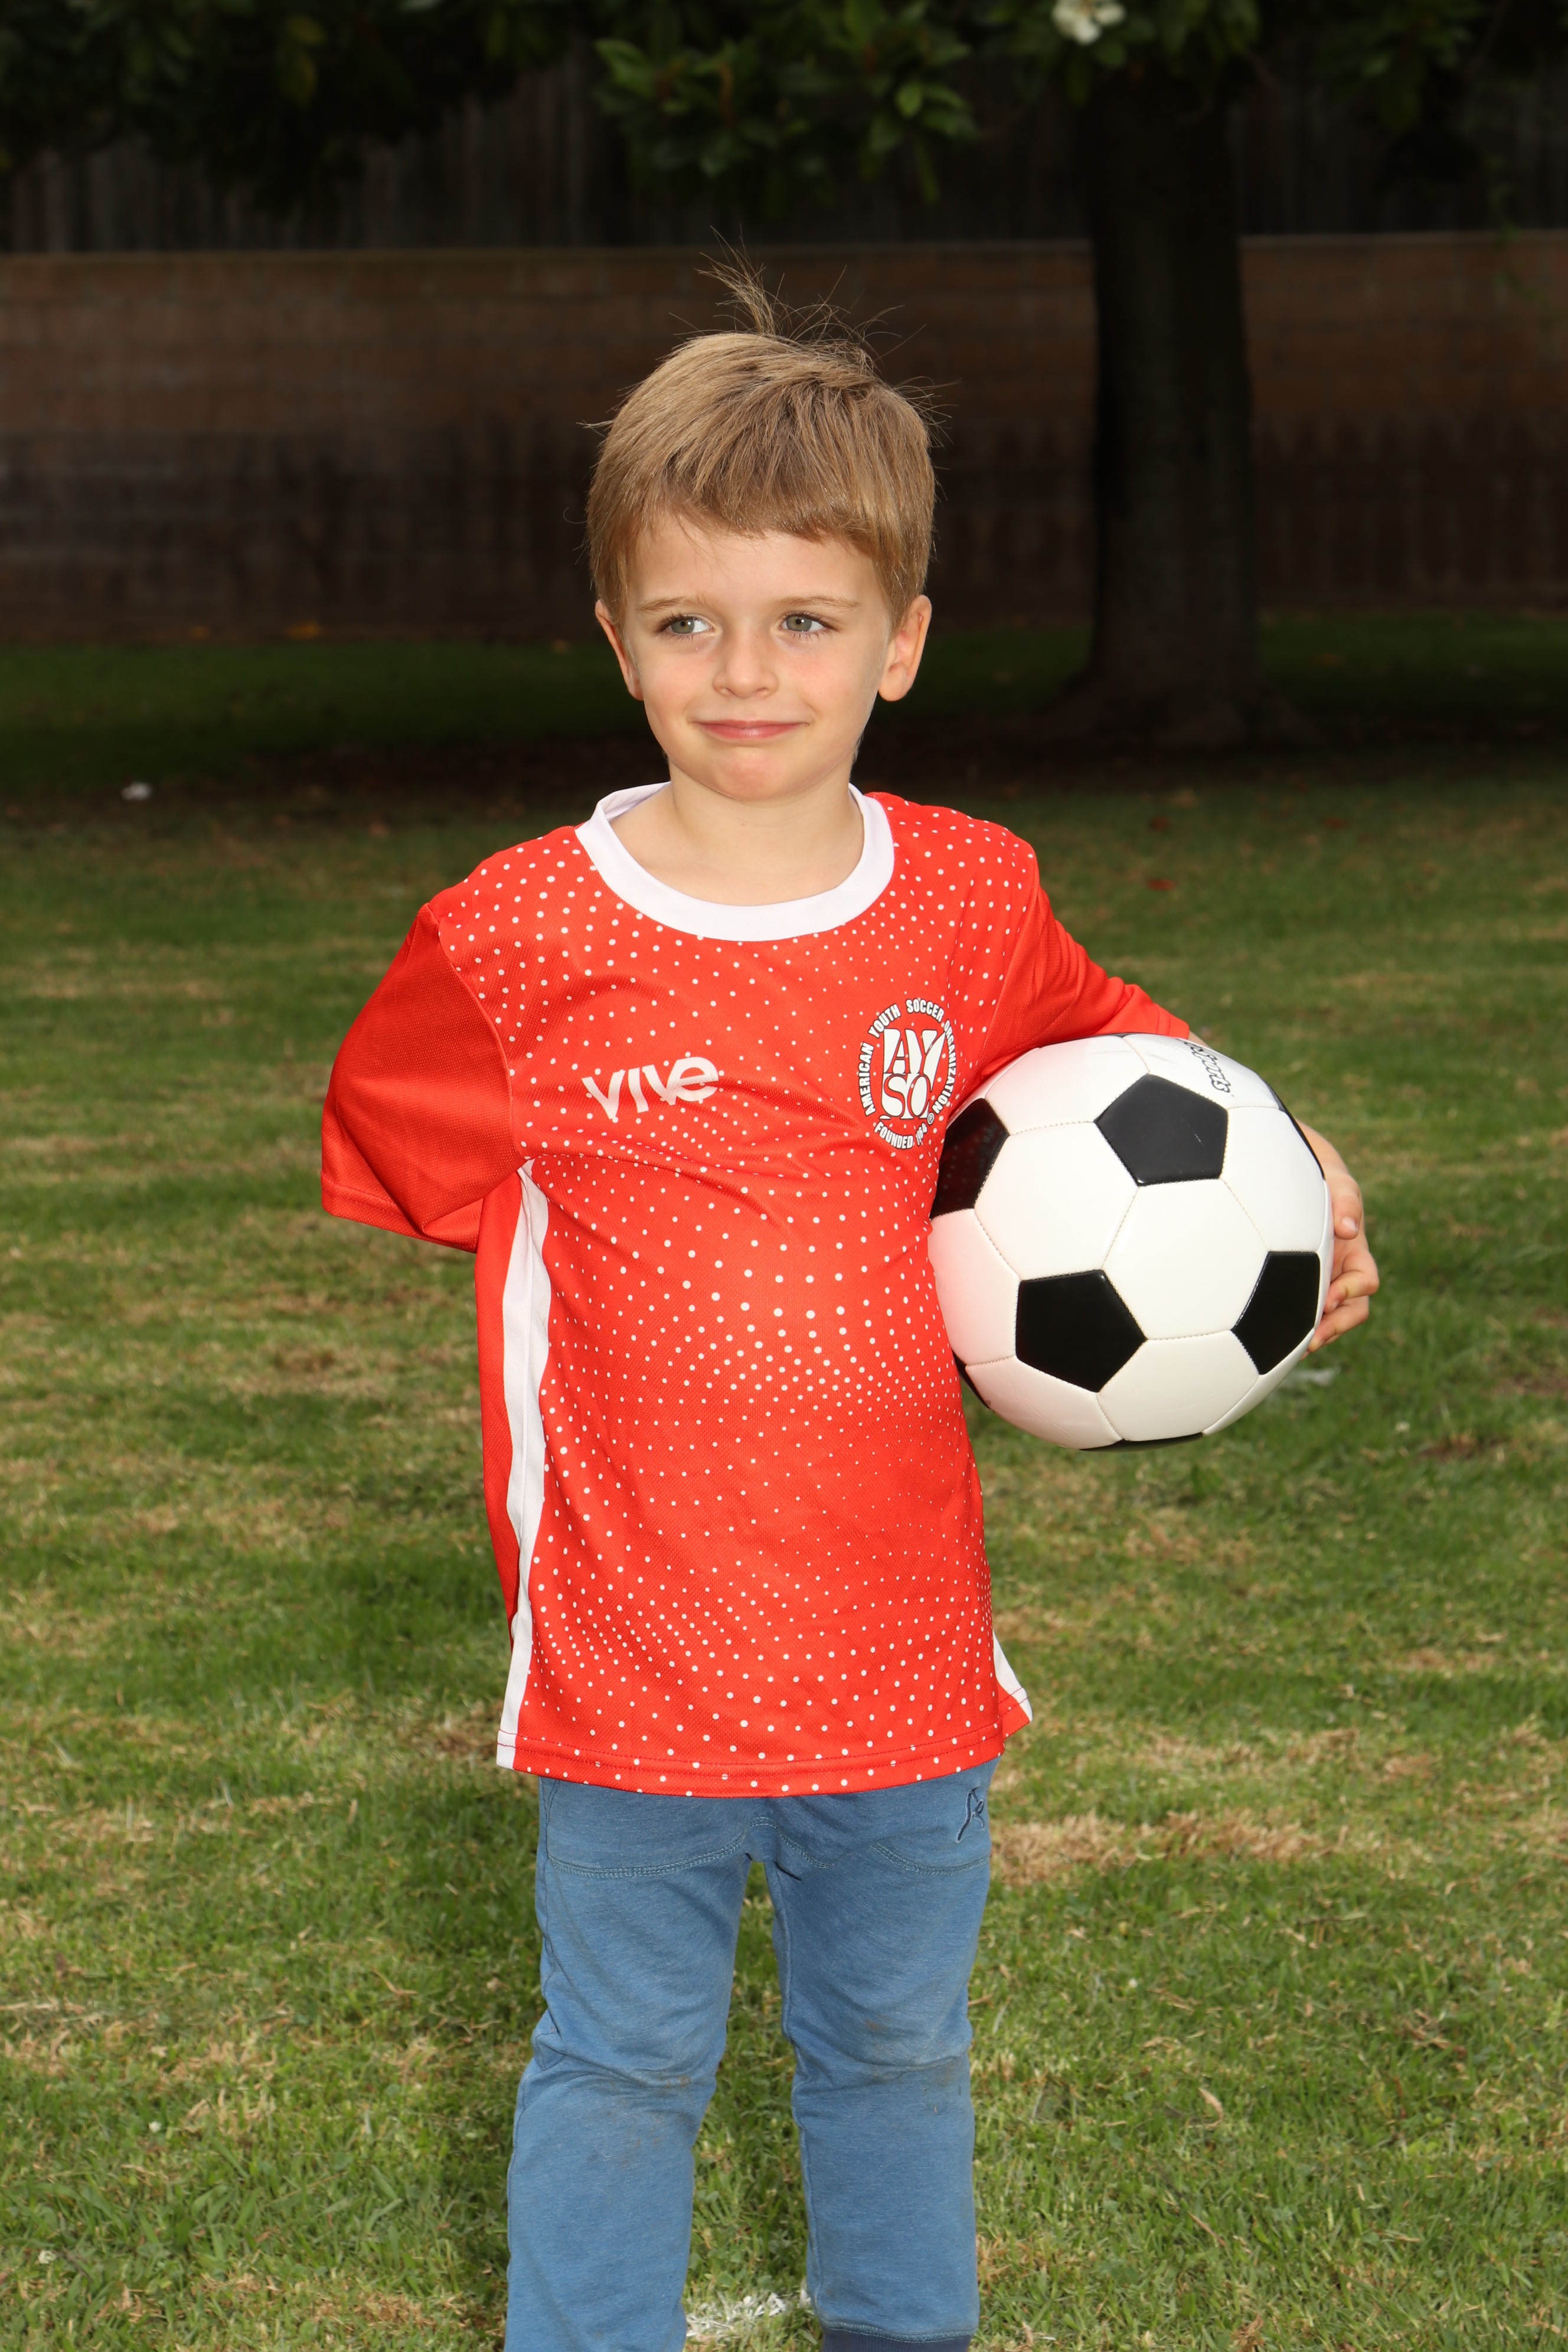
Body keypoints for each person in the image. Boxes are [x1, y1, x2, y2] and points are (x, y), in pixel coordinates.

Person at [320, 272, 1378, 2352]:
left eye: (807, 620)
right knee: (619, 2059)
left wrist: (1297, 1165)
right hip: (632, 1657)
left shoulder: (970, 898)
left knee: (895, 2051)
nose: (747, 672)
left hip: (903, 1653)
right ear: (614, 637)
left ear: (901, 640)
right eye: (688, 621)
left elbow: (1118, 1054)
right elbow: (398, 1141)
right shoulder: (513, 934)